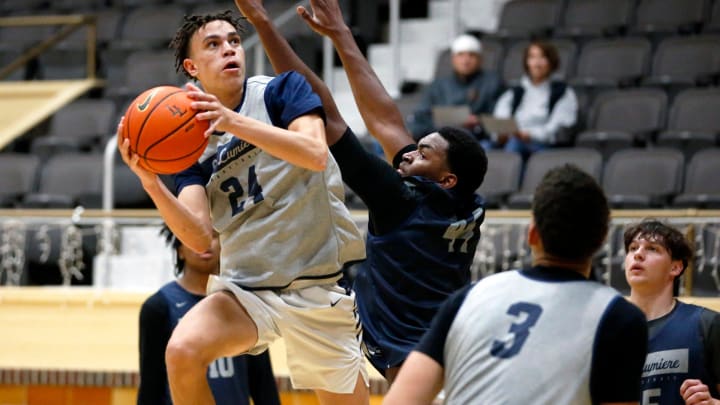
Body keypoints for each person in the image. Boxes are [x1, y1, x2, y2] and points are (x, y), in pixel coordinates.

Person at [118, 10, 369, 405]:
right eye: (213, 45)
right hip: (248, 289)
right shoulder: (190, 144)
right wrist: (150, 182)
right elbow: (198, 236)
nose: (229, 50)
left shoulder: (281, 92)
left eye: (234, 41)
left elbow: (315, 153)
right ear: (192, 67)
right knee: (182, 350)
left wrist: (231, 122)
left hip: (315, 283)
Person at [233, 0, 488, 384]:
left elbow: (324, 113)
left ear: (446, 178)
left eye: (422, 154)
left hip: (409, 355)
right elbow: (385, 118)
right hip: (456, 345)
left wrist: (262, 22)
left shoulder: (401, 200)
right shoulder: (467, 200)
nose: (408, 156)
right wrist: (341, 35)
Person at [384, 164, 649, 404]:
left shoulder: (469, 297)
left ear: (531, 234)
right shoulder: (620, 318)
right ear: (602, 240)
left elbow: (402, 401)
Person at [137, 225, 280, 405]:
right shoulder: (158, 307)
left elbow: (262, 382)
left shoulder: (244, 301)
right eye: (194, 235)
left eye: (213, 235)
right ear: (179, 250)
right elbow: (151, 386)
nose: (205, 243)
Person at [623, 220, 720, 405]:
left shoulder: (707, 324)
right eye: (633, 248)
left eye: (652, 249)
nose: (638, 255)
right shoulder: (605, 331)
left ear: (676, 267)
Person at [483, 41, 578, 159]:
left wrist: (528, 135)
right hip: (512, 140)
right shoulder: (514, 93)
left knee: (514, 145)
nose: (537, 63)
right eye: (532, 57)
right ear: (527, 62)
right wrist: (500, 135)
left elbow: (558, 129)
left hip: (542, 146)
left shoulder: (563, 93)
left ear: (551, 61)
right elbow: (499, 121)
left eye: (542, 57)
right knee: (481, 148)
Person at [408, 34, 503, 141]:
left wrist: (478, 120)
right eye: (460, 55)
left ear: (480, 60)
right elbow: (422, 114)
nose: (466, 60)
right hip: (438, 133)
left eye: (472, 55)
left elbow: (499, 118)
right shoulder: (437, 85)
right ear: (453, 59)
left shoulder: (492, 83)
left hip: (474, 136)